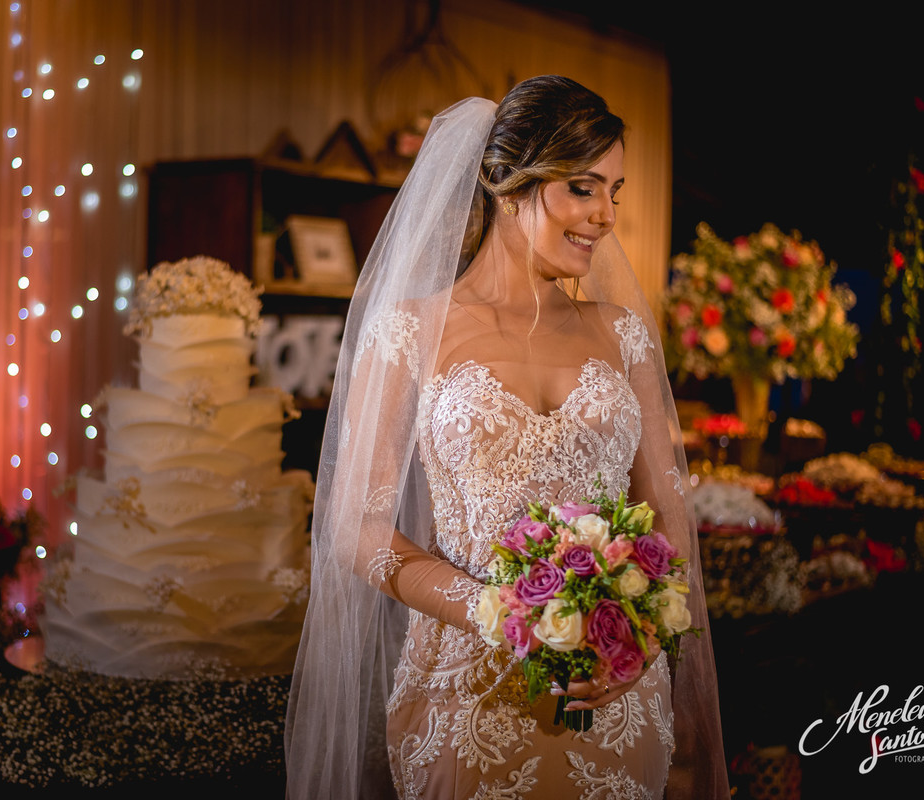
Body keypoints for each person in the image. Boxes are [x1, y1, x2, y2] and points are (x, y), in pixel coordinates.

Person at [285, 75, 728, 798]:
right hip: (466, 697)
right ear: (507, 184)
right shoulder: (410, 332)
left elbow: (668, 524)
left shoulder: (622, 335)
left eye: (615, 191)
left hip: (613, 698)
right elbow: (355, 529)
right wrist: (499, 612)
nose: (607, 215)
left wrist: (637, 643)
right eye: (584, 188)